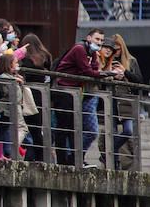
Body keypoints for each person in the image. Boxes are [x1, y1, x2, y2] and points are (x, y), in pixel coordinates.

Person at [52, 28, 105, 167]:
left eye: (101, 40)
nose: (99, 43)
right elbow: (87, 71)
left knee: (72, 126)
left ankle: (73, 159)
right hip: (63, 90)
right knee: (64, 126)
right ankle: (63, 160)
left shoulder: (91, 53)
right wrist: (103, 74)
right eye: (97, 39)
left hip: (74, 91)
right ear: (89, 38)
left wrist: (97, 69)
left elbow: (94, 68)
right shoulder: (79, 49)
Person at [103, 34, 145, 170]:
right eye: (112, 50)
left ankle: (107, 152)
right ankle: (114, 161)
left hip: (126, 102)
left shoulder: (131, 61)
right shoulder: (106, 62)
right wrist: (110, 74)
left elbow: (139, 80)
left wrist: (124, 72)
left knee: (128, 130)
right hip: (111, 101)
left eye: (118, 49)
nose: (115, 52)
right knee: (112, 132)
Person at [17, 34, 53, 162]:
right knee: (37, 129)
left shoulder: (26, 59)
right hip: (41, 94)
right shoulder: (45, 57)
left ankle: (23, 156)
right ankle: (40, 158)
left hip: (27, 94)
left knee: (25, 127)